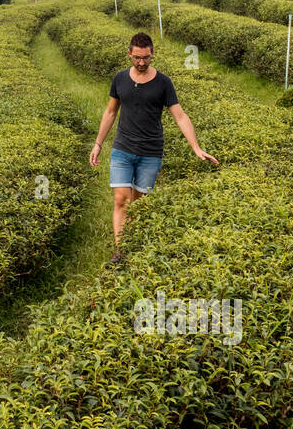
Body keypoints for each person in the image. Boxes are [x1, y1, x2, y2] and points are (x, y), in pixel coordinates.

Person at [88, 31, 219, 262]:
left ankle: (135, 244)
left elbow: (180, 116)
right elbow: (110, 112)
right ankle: (120, 252)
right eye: (136, 57)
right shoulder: (119, 79)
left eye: (146, 58)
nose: (141, 63)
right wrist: (98, 144)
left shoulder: (163, 83)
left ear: (152, 55)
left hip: (150, 152)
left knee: (139, 204)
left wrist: (196, 147)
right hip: (122, 148)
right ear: (129, 54)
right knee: (121, 199)